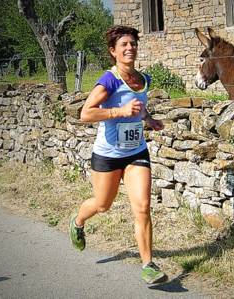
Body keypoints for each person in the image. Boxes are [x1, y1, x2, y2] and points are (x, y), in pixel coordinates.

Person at [69, 25, 165, 284]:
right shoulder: (108, 80)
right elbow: (86, 114)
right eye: (124, 44)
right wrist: (118, 112)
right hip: (108, 155)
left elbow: (139, 106)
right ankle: (78, 221)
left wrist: (149, 120)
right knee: (102, 205)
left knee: (143, 207)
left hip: (136, 151)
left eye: (133, 43)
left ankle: (148, 265)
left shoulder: (144, 79)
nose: (129, 47)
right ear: (113, 51)